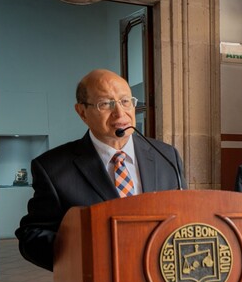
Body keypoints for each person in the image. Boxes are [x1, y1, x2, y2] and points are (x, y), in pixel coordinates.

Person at [16, 69, 185, 271]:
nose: (120, 113)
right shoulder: (52, 168)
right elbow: (32, 236)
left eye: (125, 101)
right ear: (82, 112)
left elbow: (184, 218)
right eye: (105, 104)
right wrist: (88, 255)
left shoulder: (166, 156)